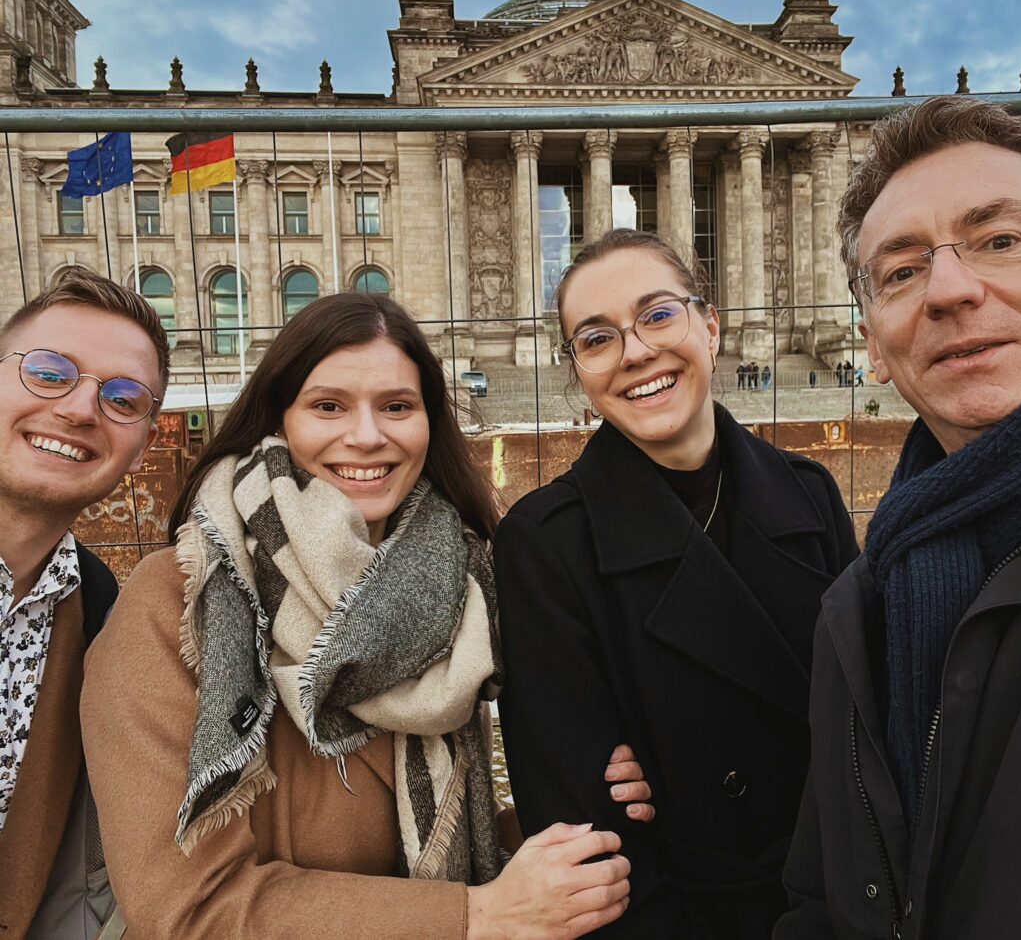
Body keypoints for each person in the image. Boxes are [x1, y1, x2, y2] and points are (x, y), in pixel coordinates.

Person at [81, 291, 647, 940]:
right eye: (329, 406)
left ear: (428, 424)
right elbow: (189, 907)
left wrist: (599, 798)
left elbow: (443, 829)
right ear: (279, 419)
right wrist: (476, 915)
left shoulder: (458, 588)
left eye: (397, 407)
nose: (368, 435)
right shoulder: (178, 599)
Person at [495, 229, 858, 938]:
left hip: (841, 905)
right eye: (596, 339)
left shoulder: (810, 497)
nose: (635, 352)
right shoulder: (545, 543)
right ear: (577, 370)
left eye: (658, 314)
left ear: (710, 325)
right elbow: (586, 842)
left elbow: (862, 736)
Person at [775, 96, 1021, 939]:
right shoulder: (861, 601)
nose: (952, 289)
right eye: (903, 269)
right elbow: (820, 892)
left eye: (1001, 240)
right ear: (873, 342)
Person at [0, 269, 169, 940]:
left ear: (143, 445)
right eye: (48, 371)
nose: (78, 408)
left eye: (123, 398)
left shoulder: (102, 611)